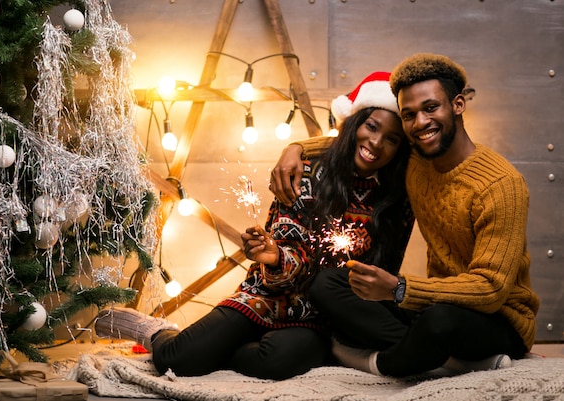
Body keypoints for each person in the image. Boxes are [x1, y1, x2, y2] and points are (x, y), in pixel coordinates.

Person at [94, 71, 413, 380]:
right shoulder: (305, 173)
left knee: (275, 361)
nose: (376, 142)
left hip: (317, 318)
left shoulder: (397, 200)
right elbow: (288, 251)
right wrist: (274, 256)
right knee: (176, 360)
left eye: (392, 139)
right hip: (269, 292)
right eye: (371, 126)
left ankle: (217, 350)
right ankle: (156, 331)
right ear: (355, 122)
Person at [269, 53, 540, 377]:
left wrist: (400, 289)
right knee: (329, 284)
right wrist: (295, 148)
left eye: (430, 108)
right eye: (409, 115)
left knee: (438, 322)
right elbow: (354, 146)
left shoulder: (501, 185)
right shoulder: (418, 161)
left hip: (498, 319)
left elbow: (490, 289)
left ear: (457, 105)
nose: (420, 123)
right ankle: (447, 361)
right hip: (434, 303)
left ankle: (381, 362)